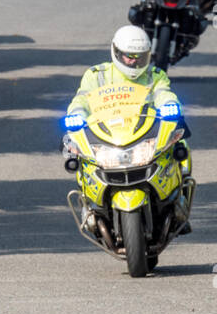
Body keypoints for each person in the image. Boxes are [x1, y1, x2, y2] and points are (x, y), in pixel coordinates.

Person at [65, 26, 193, 225]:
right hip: (108, 136)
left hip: (144, 135)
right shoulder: (96, 75)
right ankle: (90, 206)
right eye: (129, 57)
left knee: (181, 147)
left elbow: (163, 92)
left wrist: (170, 104)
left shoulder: (155, 75)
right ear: (116, 52)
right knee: (78, 154)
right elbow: (81, 100)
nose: (134, 61)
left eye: (140, 57)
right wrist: (76, 114)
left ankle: (178, 199)